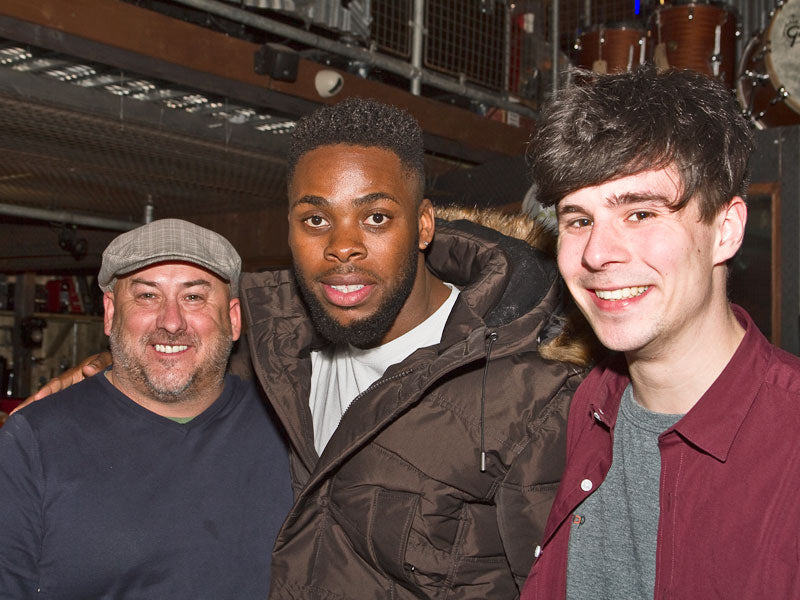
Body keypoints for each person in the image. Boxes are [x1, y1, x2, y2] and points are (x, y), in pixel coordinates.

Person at [25, 99, 590, 598]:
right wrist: (102, 370)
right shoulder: (268, 339)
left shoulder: (531, 394)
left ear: (422, 226)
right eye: (316, 219)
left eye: (375, 217)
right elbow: (175, 344)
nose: (343, 245)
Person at [520, 66, 800, 599]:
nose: (598, 254)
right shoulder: (589, 404)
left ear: (726, 230)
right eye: (578, 220)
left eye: (641, 213)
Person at [0, 219, 293, 598]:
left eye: (193, 297)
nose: (171, 322)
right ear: (109, 313)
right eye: (146, 296)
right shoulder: (34, 440)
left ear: (233, 318)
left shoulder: (288, 429)